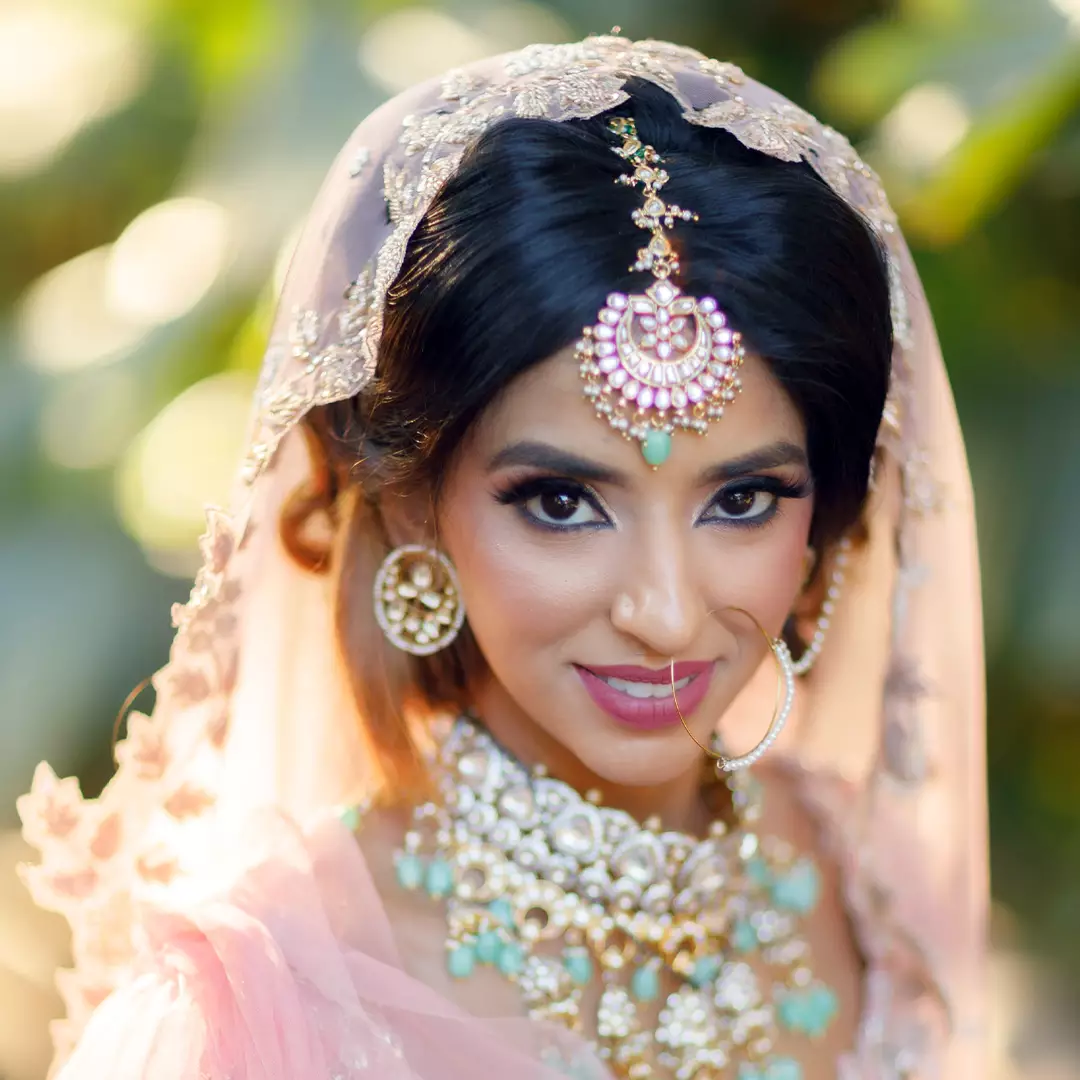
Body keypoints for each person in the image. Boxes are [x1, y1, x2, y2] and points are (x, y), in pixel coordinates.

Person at [16, 36, 987, 1080]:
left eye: (743, 500)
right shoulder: (260, 1003)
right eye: (562, 502)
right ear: (415, 509)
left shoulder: (860, 877)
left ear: (823, 521)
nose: (663, 612)